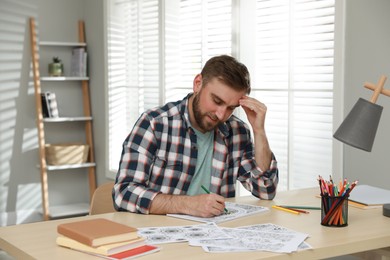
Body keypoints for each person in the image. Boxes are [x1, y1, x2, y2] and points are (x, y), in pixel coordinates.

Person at [113, 55, 278, 218]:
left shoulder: (237, 131)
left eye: (231, 108)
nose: (221, 115)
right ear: (198, 84)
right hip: (161, 233)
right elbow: (124, 193)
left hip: (216, 236)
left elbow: (265, 189)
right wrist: (188, 205)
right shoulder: (155, 124)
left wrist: (259, 130)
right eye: (217, 101)